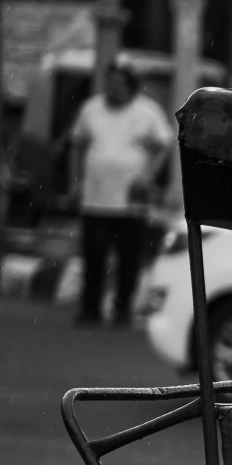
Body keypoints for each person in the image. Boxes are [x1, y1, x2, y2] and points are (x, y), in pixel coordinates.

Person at [68, 63, 174, 325]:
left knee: (129, 256)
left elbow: (164, 145)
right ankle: (90, 309)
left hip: (131, 199)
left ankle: (122, 309)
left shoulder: (147, 112)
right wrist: (76, 180)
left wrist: (148, 176)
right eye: (109, 82)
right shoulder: (91, 109)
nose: (112, 88)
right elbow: (78, 145)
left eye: (118, 83)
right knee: (94, 254)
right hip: (95, 196)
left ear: (130, 86)